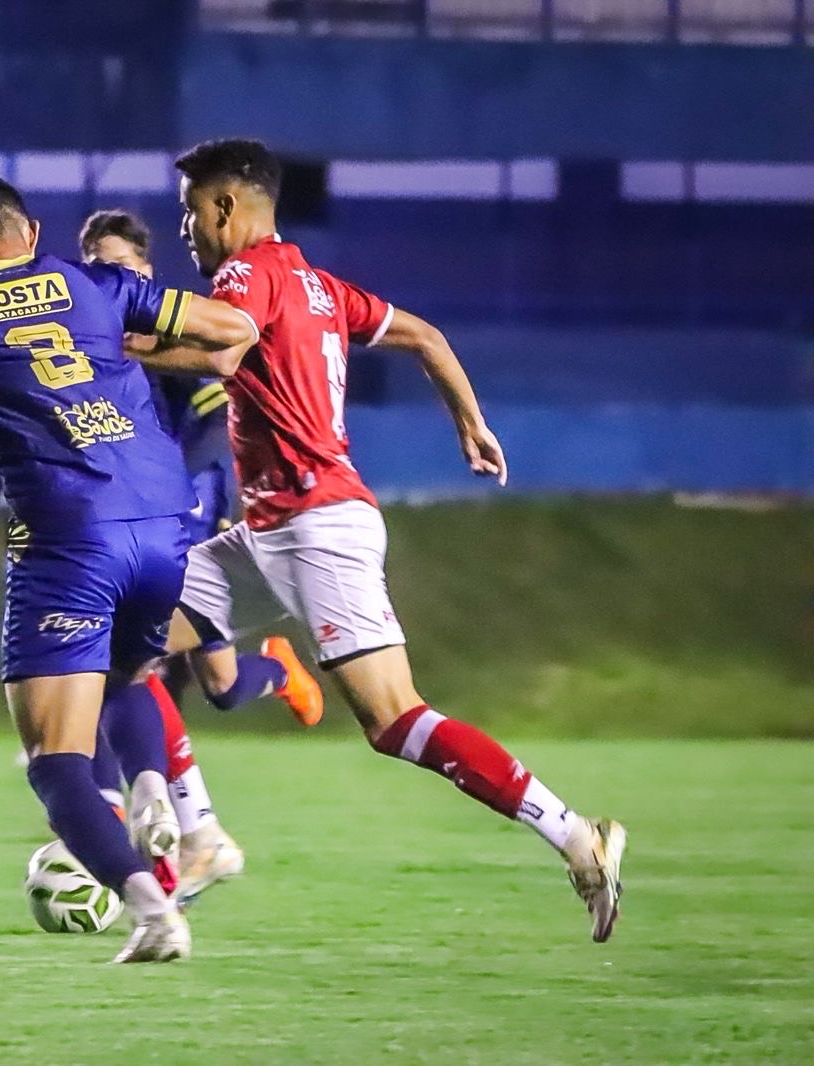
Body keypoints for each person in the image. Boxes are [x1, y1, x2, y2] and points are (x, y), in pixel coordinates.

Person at [132, 138, 627, 942]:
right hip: (268, 532)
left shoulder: (244, 274)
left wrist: (108, 341)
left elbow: (222, 348)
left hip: (315, 526)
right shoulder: (319, 285)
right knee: (121, 640)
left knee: (395, 720)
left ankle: (576, 835)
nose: (184, 227)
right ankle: (199, 836)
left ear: (225, 207)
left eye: (190, 211)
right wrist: (472, 424)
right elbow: (426, 336)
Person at [0, 176, 256, 962]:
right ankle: (150, 787)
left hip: (69, 534)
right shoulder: (96, 283)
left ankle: (154, 914)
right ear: (32, 232)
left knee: (56, 764)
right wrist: (123, 343)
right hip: (164, 522)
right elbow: (233, 329)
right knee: (127, 672)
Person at [78, 207, 323, 904]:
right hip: (130, 523)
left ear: (146, 271)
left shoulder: (171, 330)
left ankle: (180, 837)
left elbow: (217, 423)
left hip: (189, 516)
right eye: (98, 267)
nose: (111, 277)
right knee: (202, 681)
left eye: (122, 265)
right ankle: (186, 831)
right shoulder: (87, 337)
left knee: (133, 664)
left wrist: (169, 488)